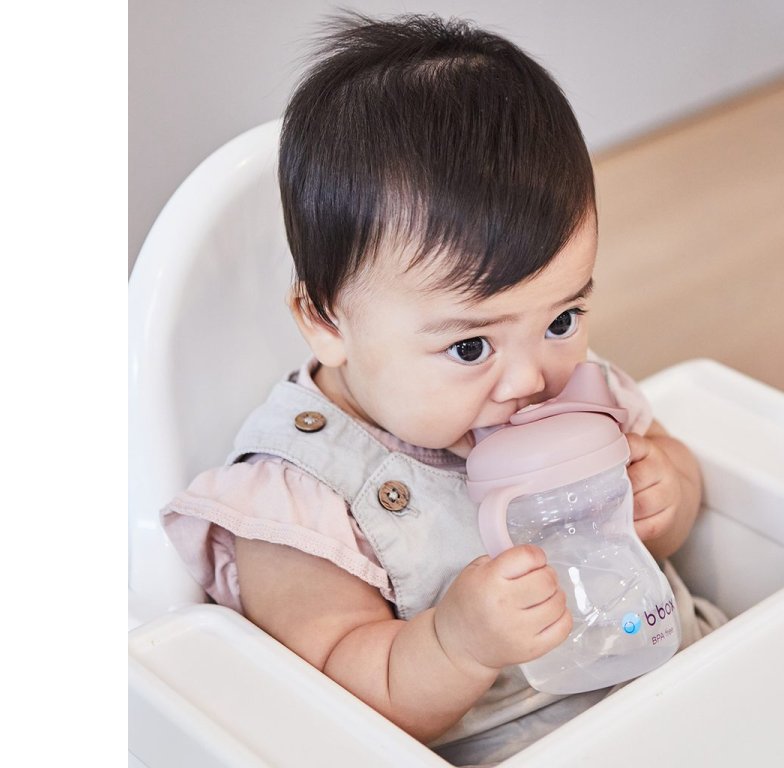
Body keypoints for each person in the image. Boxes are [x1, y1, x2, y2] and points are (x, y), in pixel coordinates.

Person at [161, 12, 725, 766]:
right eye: (470, 346)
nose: (529, 380)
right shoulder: (300, 503)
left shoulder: (576, 392)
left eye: (561, 319)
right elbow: (332, 703)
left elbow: (668, 505)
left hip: (696, 686)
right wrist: (456, 644)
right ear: (326, 322)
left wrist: (668, 491)